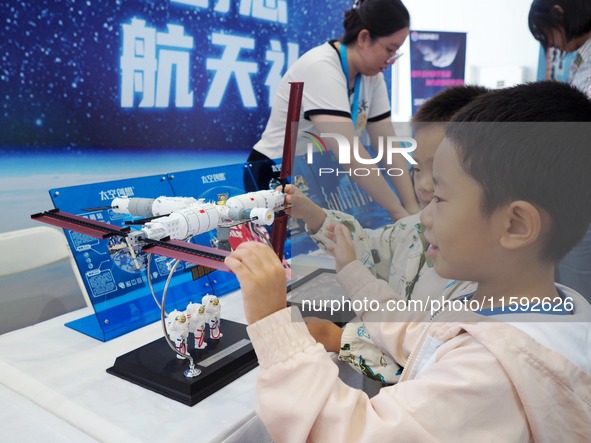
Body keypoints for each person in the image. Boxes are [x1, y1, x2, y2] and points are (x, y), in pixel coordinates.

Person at [225, 81, 591, 442]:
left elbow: (353, 435)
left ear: (515, 225)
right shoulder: (541, 308)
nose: (424, 216)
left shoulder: (487, 372)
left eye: (441, 198)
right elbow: (417, 332)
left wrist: (273, 324)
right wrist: (353, 273)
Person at [287, 85, 490, 383]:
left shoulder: (477, 278)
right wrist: (312, 214)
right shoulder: (414, 227)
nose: (422, 185)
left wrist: (339, 337)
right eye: (417, 169)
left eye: (438, 172)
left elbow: (423, 356)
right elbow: (370, 245)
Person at [245, 0, 420, 221]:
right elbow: (349, 154)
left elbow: (387, 145)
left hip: (313, 176)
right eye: (390, 49)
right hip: (276, 174)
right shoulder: (321, 67)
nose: (391, 60)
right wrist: (398, 212)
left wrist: (412, 207)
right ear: (364, 38)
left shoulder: (372, 77)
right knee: (288, 254)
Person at [529, 0, 591, 304]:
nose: (552, 45)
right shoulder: (582, 56)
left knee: (579, 291)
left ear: (559, 12)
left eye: (546, 34)